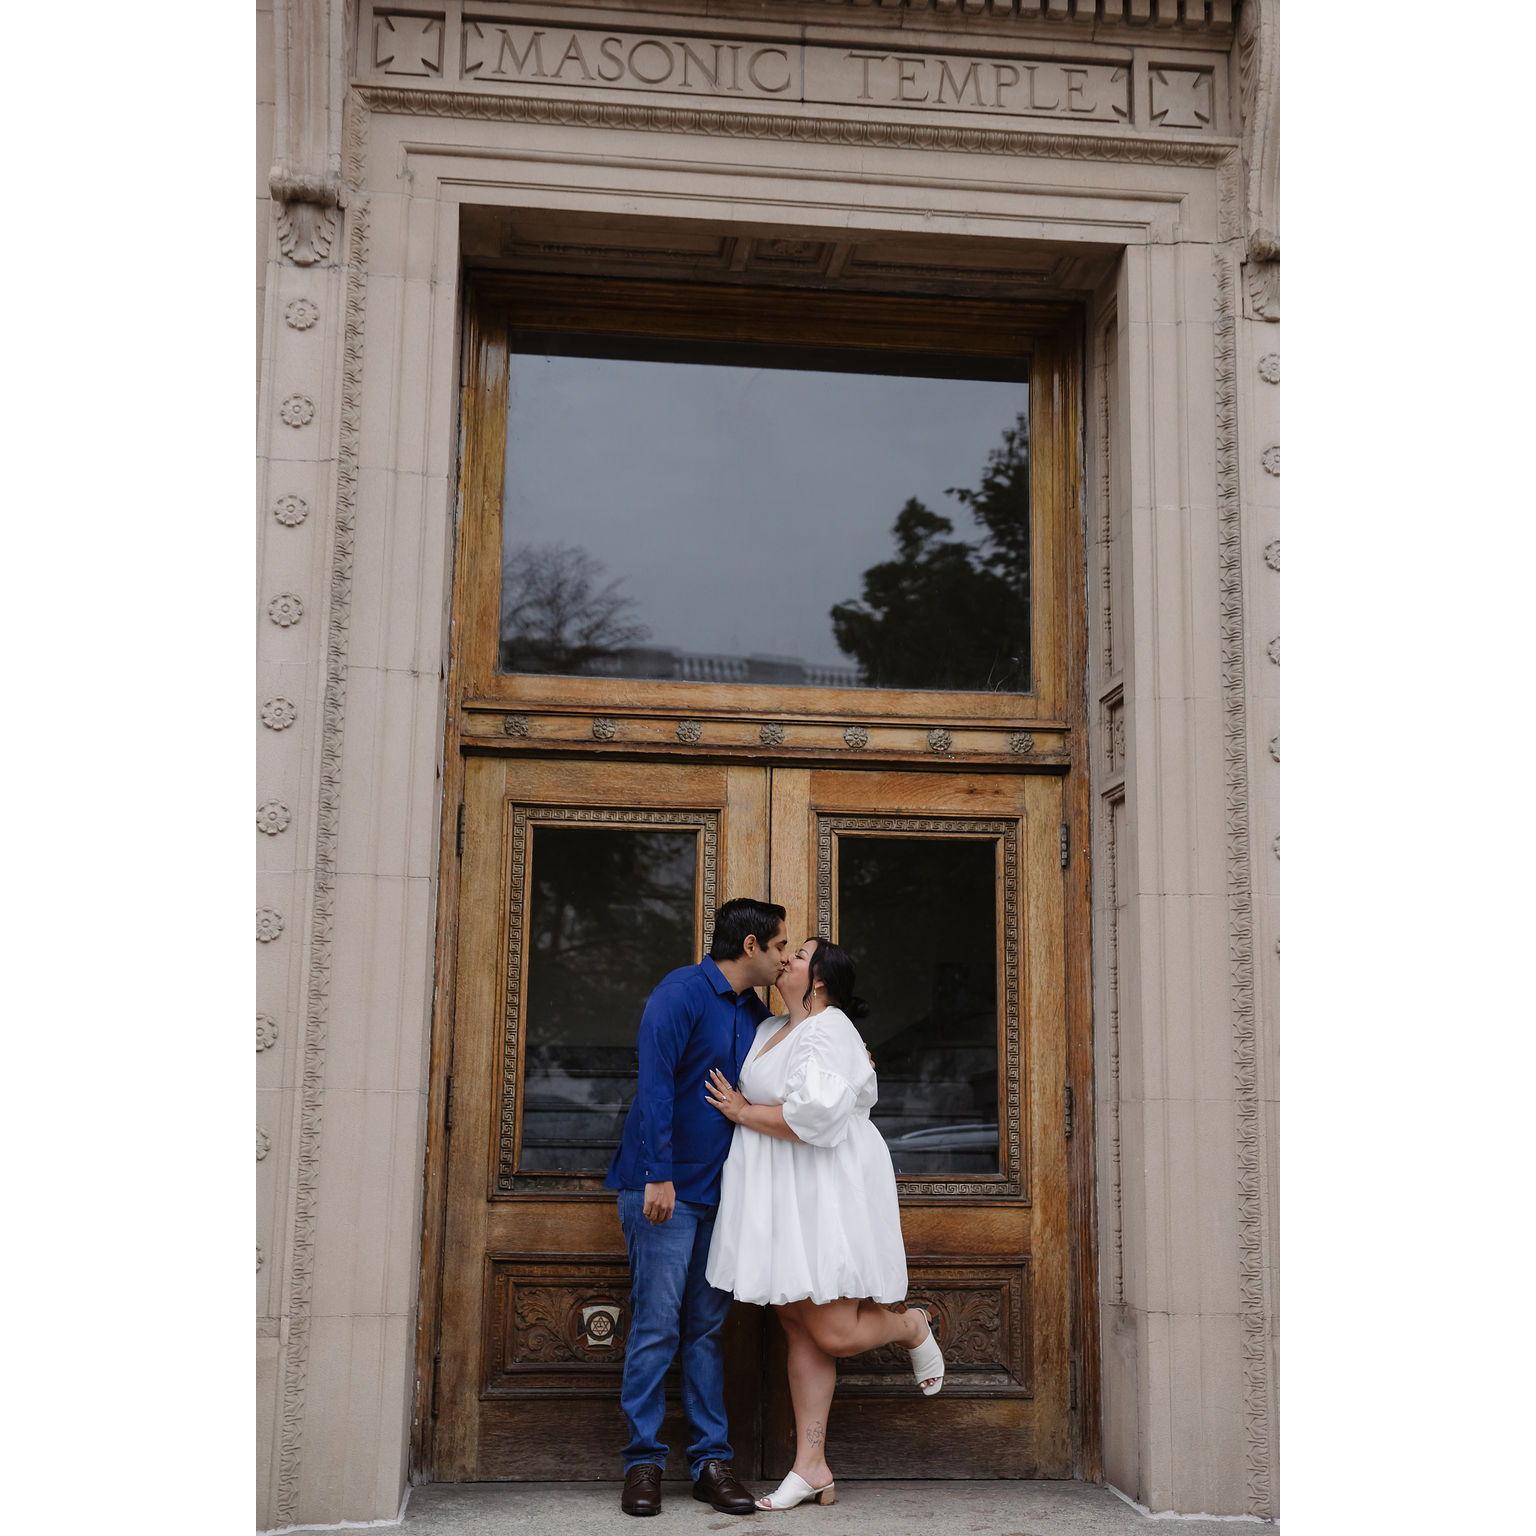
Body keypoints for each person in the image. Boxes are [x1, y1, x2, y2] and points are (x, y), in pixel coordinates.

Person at [704, 937, 944, 1512]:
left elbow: (815, 1118)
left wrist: (742, 1111)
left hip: (823, 1192)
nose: (786, 958)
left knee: (833, 1330)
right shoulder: (770, 1028)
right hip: (779, 1192)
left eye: (800, 954)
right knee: (801, 1328)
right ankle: (811, 1465)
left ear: (819, 979)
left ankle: (911, 1325)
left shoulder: (830, 1029)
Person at [605, 897, 790, 1518]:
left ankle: (712, 1463)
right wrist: (658, 1174)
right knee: (657, 1327)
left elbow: (795, 1060)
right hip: (665, 1192)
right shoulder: (680, 993)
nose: (784, 957)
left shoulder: (756, 1012)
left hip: (724, 1196)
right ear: (750, 947)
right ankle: (643, 1464)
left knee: (706, 1332)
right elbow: (655, 1085)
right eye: (779, 946)